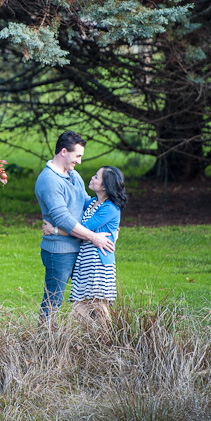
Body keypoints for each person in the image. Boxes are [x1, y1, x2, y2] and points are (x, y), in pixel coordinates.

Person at [34, 131, 115, 326]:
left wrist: (112, 223)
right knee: (53, 302)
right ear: (63, 152)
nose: (79, 161)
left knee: (90, 300)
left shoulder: (73, 175)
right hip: (59, 251)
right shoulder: (48, 180)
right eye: (77, 155)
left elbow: (86, 203)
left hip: (80, 249)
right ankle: (44, 346)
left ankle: (98, 342)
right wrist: (94, 237)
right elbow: (62, 218)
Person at [42, 166, 127, 332]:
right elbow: (77, 205)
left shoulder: (109, 208)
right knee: (78, 311)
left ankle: (110, 343)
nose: (92, 178)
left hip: (98, 263)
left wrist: (55, 231)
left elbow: (82, 228)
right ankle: (99, 341)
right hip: (85, 262)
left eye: (96, 177)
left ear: (105, 186)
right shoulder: (93, 203)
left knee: (98, 306)